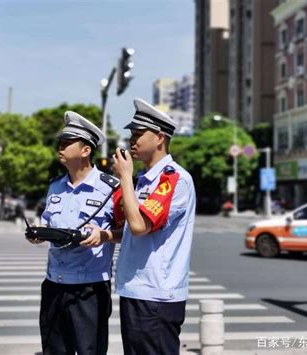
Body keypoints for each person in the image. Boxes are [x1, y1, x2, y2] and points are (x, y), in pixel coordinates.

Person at [108, 98, 196, 354]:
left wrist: (124, 176)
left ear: (159, 138)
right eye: (130, 135)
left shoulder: (173, 179)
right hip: (136, 289)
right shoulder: (142, 181)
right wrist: (105, 235)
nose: (131, 141)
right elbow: (129, 230)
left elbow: (139, 226)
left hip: (156, 294)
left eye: (138, 134)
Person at [26, 111, 116, 355]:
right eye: (61, 142)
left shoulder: (110, 188)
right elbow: (48, 223)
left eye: (67, 143)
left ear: (85, 151)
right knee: (54, 350)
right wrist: (39, 234)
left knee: (90, 351)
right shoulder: (55, 185)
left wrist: (104, 236)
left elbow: (128, 232)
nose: (61, 147)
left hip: (90, 288)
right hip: (55, 283)